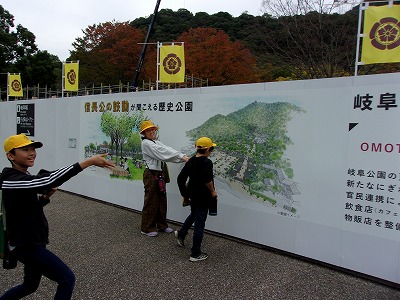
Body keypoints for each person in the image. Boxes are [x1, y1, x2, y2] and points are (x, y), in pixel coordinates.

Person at [0, 133, 114, 300]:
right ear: (10, 155)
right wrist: (88, 162)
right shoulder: (11, 179)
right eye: (25, 150)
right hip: (27, 245)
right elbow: (48, 180)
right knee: (67, 279)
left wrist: (45, 199)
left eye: (33, 149)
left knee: (30, 286)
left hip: (33, 241)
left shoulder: (22, 177)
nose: (32, 153)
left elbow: (25, 209)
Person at [140, 120, 189, 237]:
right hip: (151, 174)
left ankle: (162, 225)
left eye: (153, 129)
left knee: (162, 200)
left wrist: (182, 156)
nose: (151, 132)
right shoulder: (146, 143)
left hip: (159, 174)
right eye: (148, 130)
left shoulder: (156, 142)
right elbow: (162, 153)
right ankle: (146, 228)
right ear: (144, 133)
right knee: (151, 200)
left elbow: (167, 149)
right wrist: (181, 157)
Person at [175, 137, 217, 262]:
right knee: (199, 224)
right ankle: (195, 253)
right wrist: (213, 191)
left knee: (194, 215)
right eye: (212, 149)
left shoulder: (191, 161)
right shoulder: (207, 162)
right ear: (208, 149)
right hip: (203, 197)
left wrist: (185, 194)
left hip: (193, 196)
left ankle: (181, 234)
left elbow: (180, 178)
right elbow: (208, 181)